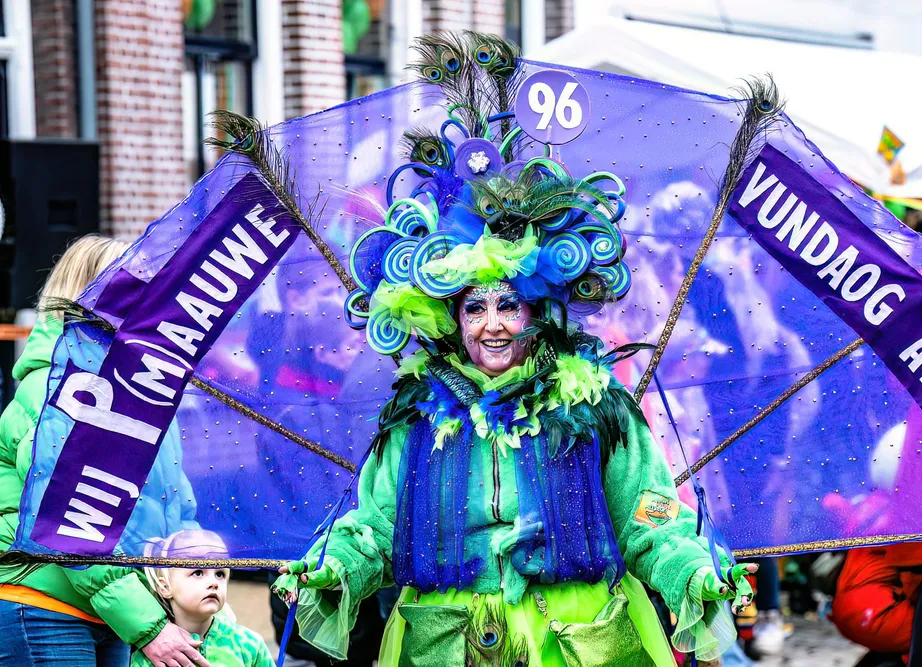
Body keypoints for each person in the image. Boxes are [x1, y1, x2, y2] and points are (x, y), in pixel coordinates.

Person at [272, 32, 756, 666]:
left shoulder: (596, 408)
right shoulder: (416, 414)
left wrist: (695, 570)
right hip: (444, 644)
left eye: (509, 305)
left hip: (575, 643)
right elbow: (376, 525)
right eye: (474, 308)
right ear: (451, 319)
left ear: (539, 312)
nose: (492, 325)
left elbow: (650, 517)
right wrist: (332, 564)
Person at [0, 235, 208, 667]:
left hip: (112, 609)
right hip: (43, 605)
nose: (154, 301)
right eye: (136, 286)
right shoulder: (51, 392)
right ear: (87, 295)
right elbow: (67, 518)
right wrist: (148, 625)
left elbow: (177, 511)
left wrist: (195, 585)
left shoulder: (143, 397)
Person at [133, 529, 274, 667]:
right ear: (165, 587)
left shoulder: (249, 645)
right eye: (198, 572)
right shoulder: (155, 653)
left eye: (220, 574)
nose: (214, 583)